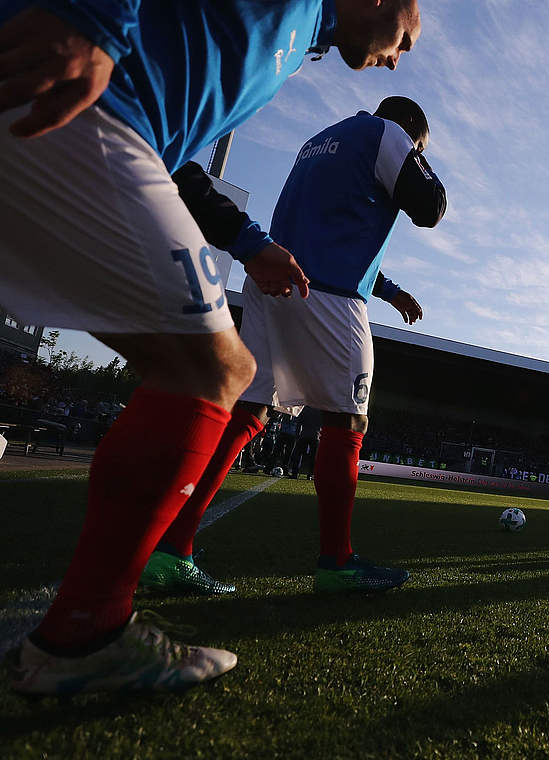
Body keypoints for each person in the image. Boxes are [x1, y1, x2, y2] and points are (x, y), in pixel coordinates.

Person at [0, 0, 422, 695]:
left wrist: (251, 243)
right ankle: (86, 631)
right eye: (405, 39)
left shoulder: (287, 43)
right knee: (213, 369)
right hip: (83, 108)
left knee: (220, 371)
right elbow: (425, 205)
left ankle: (114, 601)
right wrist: (92, 18)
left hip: (104, 123)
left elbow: (178, 164)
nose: (397, 57)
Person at [145, 96, 445, 600]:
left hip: (273, 283)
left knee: (248, 410)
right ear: (411, 131)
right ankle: (338, 562)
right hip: (329, 295)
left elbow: (331, 229)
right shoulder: (390, 136)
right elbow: (430, 208)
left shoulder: (317, 142)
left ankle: (172, 550)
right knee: (347, 420)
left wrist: (392, 293)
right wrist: (418, 155)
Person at [289, 406, 323, 479]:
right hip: (315, 435)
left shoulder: (306, 408)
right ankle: (310, 474)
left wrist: (297, 434)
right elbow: (322, 423)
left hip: (304, 434)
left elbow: (299, 422)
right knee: (313, 456)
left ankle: (295, 473)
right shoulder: (320, 410)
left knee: (298, 454)